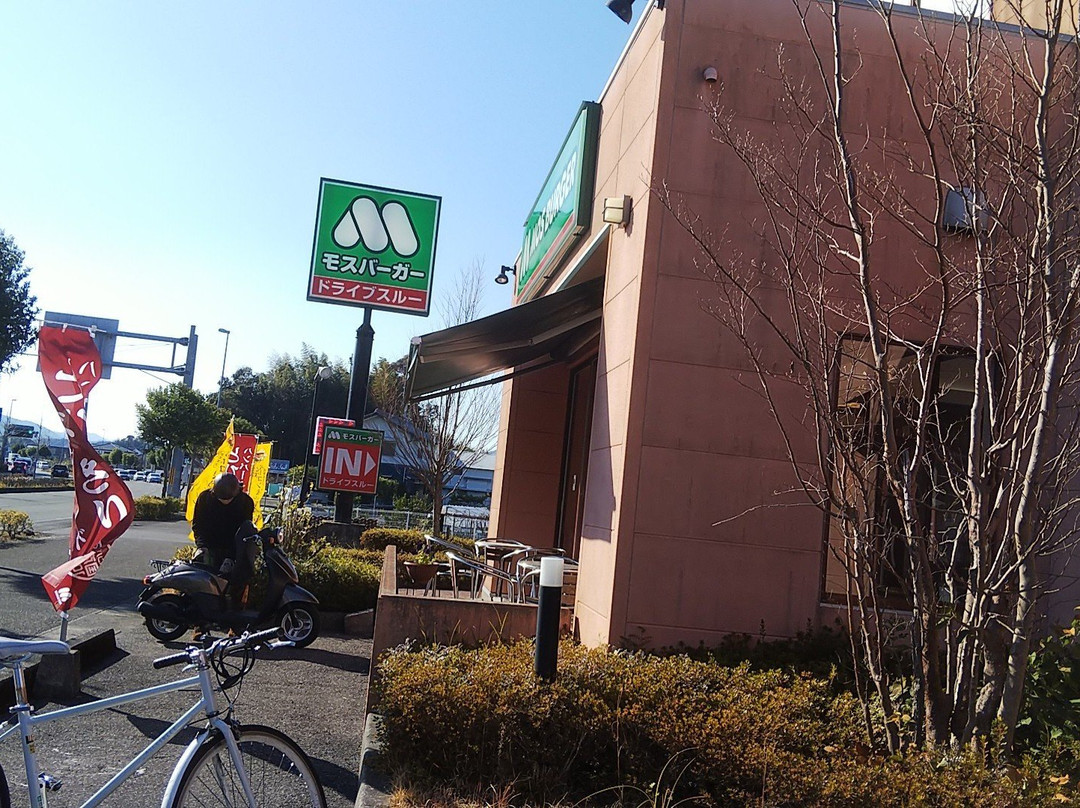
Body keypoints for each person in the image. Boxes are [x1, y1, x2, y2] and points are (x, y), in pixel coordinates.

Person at [191, 472, 255, 572]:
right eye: (220, 499)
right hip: (209, 544)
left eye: (229, 499)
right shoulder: (205, 498)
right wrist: (202, 546)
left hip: (233, 546)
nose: (225, 502)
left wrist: (232, 556)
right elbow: (198, 525)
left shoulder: (245, 502)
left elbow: (245, 531)